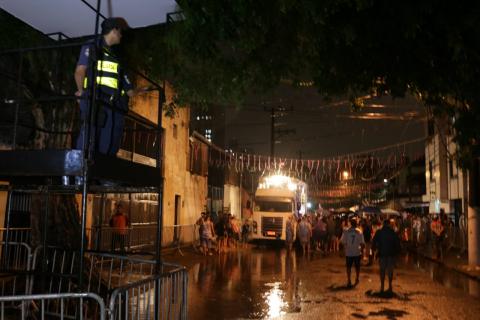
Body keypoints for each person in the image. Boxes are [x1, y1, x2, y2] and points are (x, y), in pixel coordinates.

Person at [74, 17, 146, 156]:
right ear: (114, 30)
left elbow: (129, 91)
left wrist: (140, 90)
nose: (121, 35)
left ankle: (99, 173)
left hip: (110, 104)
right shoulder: (92, 46)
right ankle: (79, 173)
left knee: (105, 143)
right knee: (88, 136)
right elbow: (79, 72)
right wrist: (81, 93)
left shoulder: (113, 56)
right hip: (94, 98)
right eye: (120, 31)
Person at [372, 219, 401, 294]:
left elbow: (374, 242)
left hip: (382, 254)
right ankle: (390, 286)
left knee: (382, 270)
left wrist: (374, 250)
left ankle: (382, 286)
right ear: (389, 225)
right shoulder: (393, 233)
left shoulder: (379, 232)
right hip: (391, 255)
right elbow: (398, 244)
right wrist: (397, 254)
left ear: (383, 224)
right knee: (390, 271)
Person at [340, 218, 365, 287]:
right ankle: (357, 278)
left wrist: (344, 249)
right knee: (357, 267)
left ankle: (349, 280)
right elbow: (362, 243)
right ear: (356, 224)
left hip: (349, 252)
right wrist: (362, 251)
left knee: (348, 267)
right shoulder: (359, 232)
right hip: (357, 252)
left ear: (350, 224)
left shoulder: (346, 232)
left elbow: (342, 242)